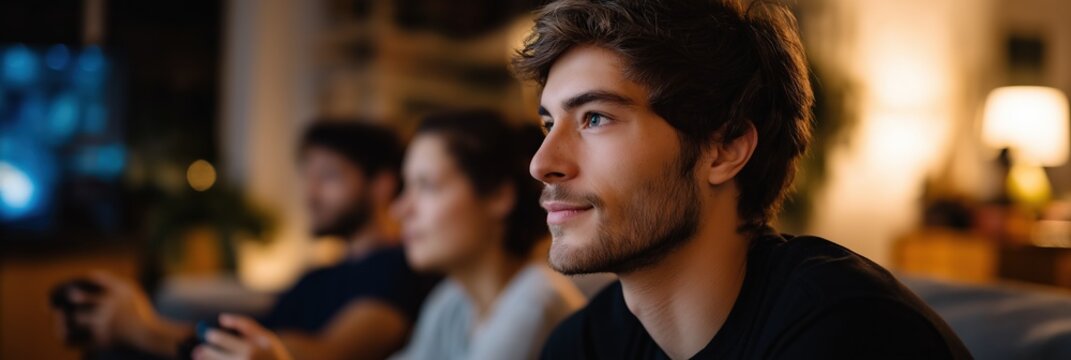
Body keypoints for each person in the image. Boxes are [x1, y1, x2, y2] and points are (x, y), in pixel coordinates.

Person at [511, 0, 972, 359]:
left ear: (725, 149)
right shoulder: (584, 344)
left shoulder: (856, 333)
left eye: (595, 118)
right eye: (549, 124)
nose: (541, 163)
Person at [60, 121, 437, 360]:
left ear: (382, 185)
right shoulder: (319, 275)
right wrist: (117, 326)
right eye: (307, 178)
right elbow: (258, 326)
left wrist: (147, 331)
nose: (310, 194)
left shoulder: (397, 267)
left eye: (328, 177)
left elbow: (329, 354)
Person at [388, 110, 585, 360]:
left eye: (427, 186)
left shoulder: (534, 302)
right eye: (406, 186)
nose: (400, 210)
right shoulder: (452, 302)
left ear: (498, 195)